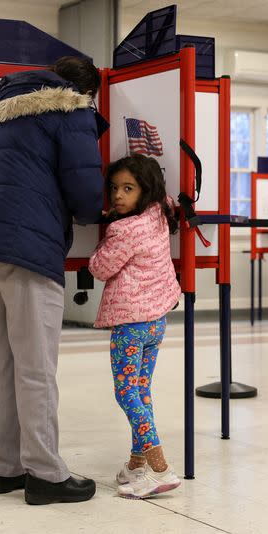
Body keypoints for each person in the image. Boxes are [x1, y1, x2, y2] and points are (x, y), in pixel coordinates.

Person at [0, 56, 105, 505]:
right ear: (84, 91)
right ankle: (47, 475)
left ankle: (6, 468)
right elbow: (86, 191)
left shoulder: (2, 116)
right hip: (25, 249)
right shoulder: (72, 111)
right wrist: (103, 213)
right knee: (36, 367)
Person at [88, 154, 182, 499]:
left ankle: (159, 468)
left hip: (130, 323)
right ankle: (136, 463)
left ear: (144, 191)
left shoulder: (122, 229)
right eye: (114, 188)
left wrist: (105, 232)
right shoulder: (160, 212)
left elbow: (100, 268)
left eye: (128, 189)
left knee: (125, 391)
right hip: (156, 321)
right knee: (141, 390)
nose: (117, 196)